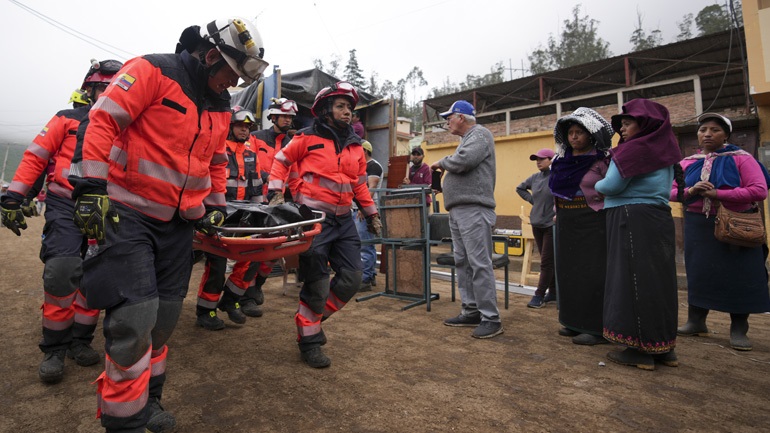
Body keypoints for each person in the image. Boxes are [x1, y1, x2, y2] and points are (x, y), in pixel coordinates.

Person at [68, 17, 267, 433]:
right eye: (231, 75)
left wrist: (214, 207)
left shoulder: (220, 105)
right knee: (134, 321)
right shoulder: (151, 71)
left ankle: (148, 401)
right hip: (129, 215)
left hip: (178, 227)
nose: (231, 86)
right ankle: (124, 422)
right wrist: (89, 185)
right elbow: (101, 122)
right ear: (212, 56)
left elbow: (214, 161)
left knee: (162, 324)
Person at [0, 59, 122, 385]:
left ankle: (80, 341)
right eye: (102, 87)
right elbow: (37, 156)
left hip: (106, 211)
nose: (108, 93)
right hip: (65, 205)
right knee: (62, 272)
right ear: (90, 89)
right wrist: (15, 196)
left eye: (115, 88)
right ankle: (54, 347)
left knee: (95, 277)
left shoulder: (131, 127)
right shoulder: (67, 119)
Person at [267, 80, 381, 368]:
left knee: (352, 279)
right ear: (326, 109)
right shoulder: (306, 137)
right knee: (317, 287)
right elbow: (280, 161)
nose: (347, 112)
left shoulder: (356, 147)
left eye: (350, 108)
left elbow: (360, 186)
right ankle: (309, 340)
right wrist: (276, 190)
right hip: (314, 221)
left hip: (344, 223)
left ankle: (313, 320)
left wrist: (372, 214)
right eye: (341, 106)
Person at [595, 99, 682, 370]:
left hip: (631, 218)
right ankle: (663, 347)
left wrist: (596, 183)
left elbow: (610, 186)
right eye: (621, 124)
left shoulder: (633, 150)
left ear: (645, 124)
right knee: (658, 281)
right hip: (657, 217)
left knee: (631, 279)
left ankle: (638, 350)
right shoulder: (664, 151)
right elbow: (668, 188)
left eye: (628, 122)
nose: (622, 129)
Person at [672, 112, 770, 352]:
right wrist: (693, 190)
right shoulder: (688, 162)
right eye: (703, 129)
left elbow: (758, 190)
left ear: (726, 134)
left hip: (736, 225)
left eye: (714, 130)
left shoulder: (741, 159)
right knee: (700, 272)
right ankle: (696, 321)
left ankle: (739, 329)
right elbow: (672, 191)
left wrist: (719, 194)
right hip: (698, 225)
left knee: (739, 276)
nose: (707, 134)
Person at [431, 100, 502, 339]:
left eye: (448, 117)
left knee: (479, 263)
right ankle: (471, 310)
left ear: (460, 117)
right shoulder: (468, 139)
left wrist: (442, 163)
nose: (447, 122)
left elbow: (464, 161)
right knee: (463, 262)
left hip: (474, 209)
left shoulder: (479, 134)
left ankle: (491, 318)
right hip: (461, 210)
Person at [195, 107, 265, 330]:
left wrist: (261, 213)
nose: (244, 131)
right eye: (240, 126)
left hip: (245, 215)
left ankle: (230, 299)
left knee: (253, 258)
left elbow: (256, 189)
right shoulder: (217, 150)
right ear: (229, 126)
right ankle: (206, 310)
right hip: (221, 214)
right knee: (217, 263)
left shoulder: (251, 155)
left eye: (247, 127)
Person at [549, 107, 613, 346]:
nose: (574, 137)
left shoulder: (602, 161)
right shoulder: (561, 161)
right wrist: (557, 212)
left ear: (591, 136)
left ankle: (596, 327)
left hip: (593, 223)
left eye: (579, 132)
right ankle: (573, 321)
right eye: (571, 133)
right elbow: (556, 192)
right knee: (569, 272)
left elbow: (613, 188)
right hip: (567, 222)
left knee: (592, 273)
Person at [244, 97, 301, 316]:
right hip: (256, 201)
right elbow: (248, 162)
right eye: (284, 116)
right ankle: (246, 295)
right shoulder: (256, 138)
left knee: (275, 250)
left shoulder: (292, 145)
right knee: (253, 249)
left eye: (290, 117)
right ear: (273, 117)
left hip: (279, 203)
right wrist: (267, 177)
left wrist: (298, 201)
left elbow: (294, 176)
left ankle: (257, 285)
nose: (288, 120)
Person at [516, 148, 556, 308]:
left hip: (552, 224)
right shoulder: (535, 177)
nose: (538, 162)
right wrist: (533, 201)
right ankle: (553, 292)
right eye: (536, 159)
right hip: (537, 223)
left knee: (546, 262)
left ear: (551, 160)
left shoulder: (557, 177)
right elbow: (519, 188)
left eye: (542, 159)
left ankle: (538, 295)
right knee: (546, 260)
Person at [355, 139, 383, 292]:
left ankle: (366, 278)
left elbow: (371, 188)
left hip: (366, 211)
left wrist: (363, 207)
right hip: (359, 209)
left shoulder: (373, 166)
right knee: (365, 243)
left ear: (364, 151)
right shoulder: (362, 166)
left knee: (365, 244)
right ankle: (370, 275)